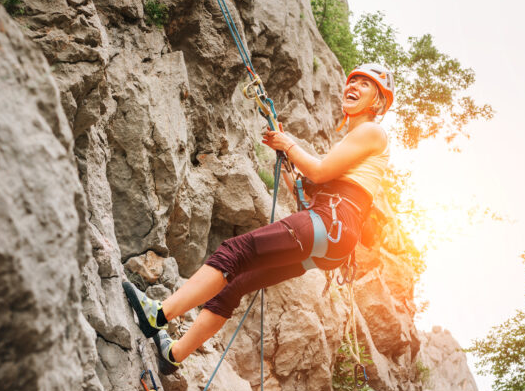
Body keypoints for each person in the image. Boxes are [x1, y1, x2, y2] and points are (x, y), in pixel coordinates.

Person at [123, 63, 395, 374]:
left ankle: (158, 315)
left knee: (234, 252)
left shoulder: (371, 131)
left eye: (366, 84)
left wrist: (289, 145)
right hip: (333, 239)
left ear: (377, 102)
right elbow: (307, 188)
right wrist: (288, 155)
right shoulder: (356, 142)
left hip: (331, 222)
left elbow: (318, 171)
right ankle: (174, 355)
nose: (355, 85)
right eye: (353, 80)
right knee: (235, 283)